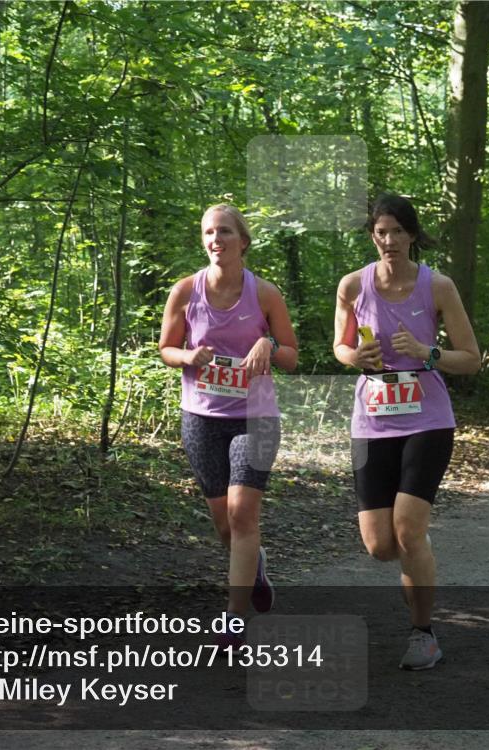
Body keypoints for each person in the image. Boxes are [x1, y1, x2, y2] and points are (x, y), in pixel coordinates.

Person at [333, 194, 480, 671]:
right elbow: (340, 345)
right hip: (373, 421)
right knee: (380, 546)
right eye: (381, 231)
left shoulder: (438, 286)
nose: (389, 240)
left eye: (398, 231)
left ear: (412, 235)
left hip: (427, 420)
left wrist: (426, 352)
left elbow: (471, 359)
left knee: (408, 529)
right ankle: (418, 551)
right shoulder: (352, 286)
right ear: (372, 236)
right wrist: (354, 356)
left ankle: (423, 634)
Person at [159, 204, 298, 647]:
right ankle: (254, 568)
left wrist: (268, 344)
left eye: (224, 232)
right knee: (225, 525)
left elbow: (291, 356)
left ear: (243, 241)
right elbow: (166, 348)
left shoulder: (265, 294)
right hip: (202, 418)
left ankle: (233, 620)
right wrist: (188, 355)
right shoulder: (185, 291)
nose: (215, 240)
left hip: (256, 418)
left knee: (242, 513)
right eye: (208, 233)